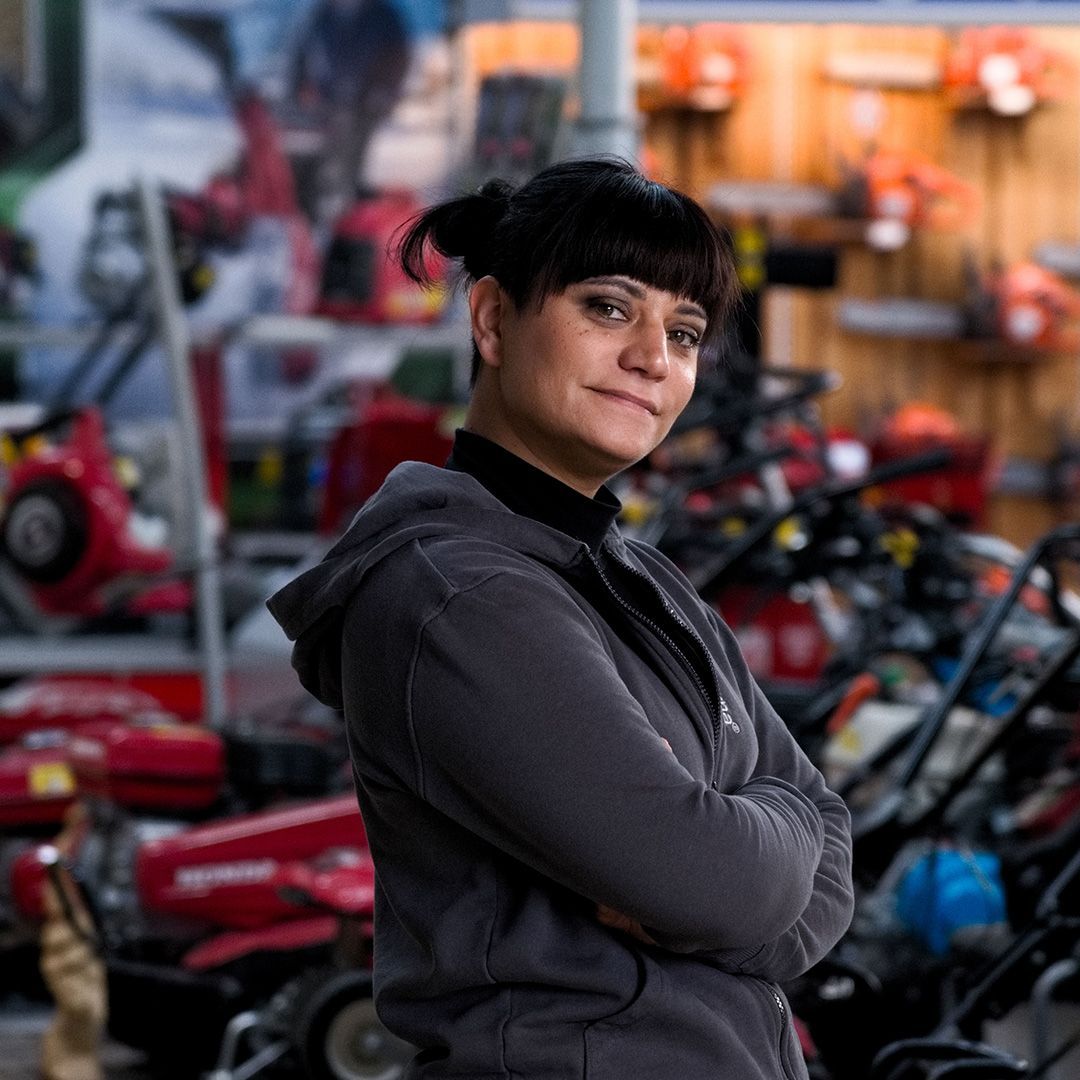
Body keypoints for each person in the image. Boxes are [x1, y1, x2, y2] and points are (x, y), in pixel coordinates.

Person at [268, 157, 854, 1079]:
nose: (652, 359)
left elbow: (826, 846)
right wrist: (732, 868)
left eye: (686, 331)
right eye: (609, 308)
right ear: (494, 318)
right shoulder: (457, 596)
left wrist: (737, 872)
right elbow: (711, 876)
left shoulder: (641, 580)